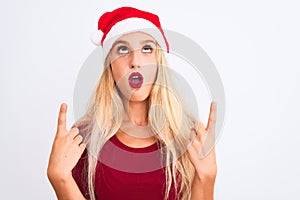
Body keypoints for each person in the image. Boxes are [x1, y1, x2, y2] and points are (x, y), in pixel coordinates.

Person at [47, 6, 218, 200]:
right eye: (123, 49)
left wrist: (207, 177)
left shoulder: (188, 137)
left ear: (158, 62)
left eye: (147, 48)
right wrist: (60, 179)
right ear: (109, 64)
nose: (135, 61)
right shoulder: (84, 138)